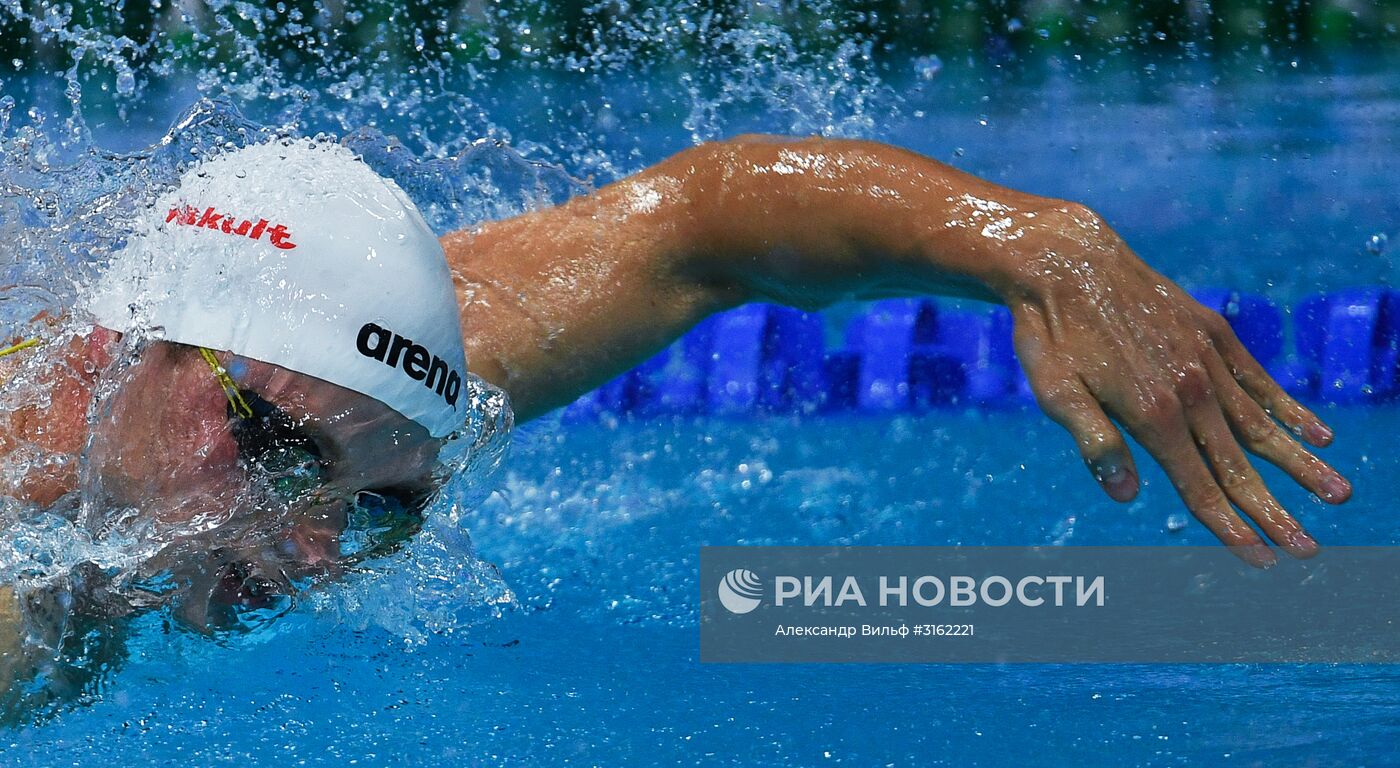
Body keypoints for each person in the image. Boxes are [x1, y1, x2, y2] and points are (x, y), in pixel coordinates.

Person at [0, 134, 1350, 708]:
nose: (312, 558)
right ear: (126, 348)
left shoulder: (356, 388)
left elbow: (702, 231)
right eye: (280, 457)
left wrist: (1041, 244)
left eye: (378, 511)